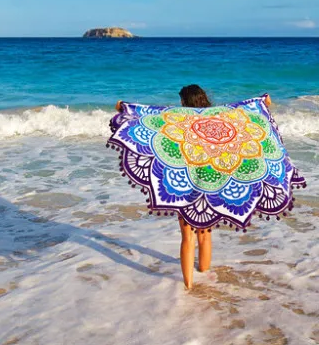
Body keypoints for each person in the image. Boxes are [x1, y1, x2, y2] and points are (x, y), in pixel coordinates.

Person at [115, 85, 271, 289]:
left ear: (184, 101)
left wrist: (124, 107)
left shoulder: (179, 119)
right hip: (211, 182)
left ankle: (188, 286)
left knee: (188, 237)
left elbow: (149, 115)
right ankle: (205, 276)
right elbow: (245, 111)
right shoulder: (219, 117)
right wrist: (263, 102)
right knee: (205, 236)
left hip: (186, 185)